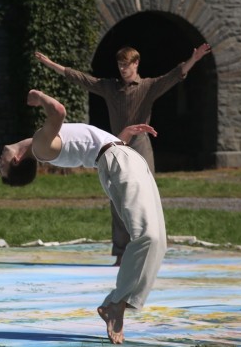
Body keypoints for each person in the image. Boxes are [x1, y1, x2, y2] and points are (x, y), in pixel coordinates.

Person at [0, 89, 166, 344]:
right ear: (18, 160)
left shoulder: (42, 145)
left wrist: (121, 139)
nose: (1, 159)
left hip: (122, 157)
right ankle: (116, 303)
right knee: (148, 236)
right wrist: (37, 96)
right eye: (3, 164)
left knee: (159, 240)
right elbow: (58, 111)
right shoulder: (41, 145)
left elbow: (96, 150)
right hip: (120, 161)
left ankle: (118, 302)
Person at [35, 43, 211, 265]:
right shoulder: (110, 88)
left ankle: (151, 251)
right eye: (120, 66)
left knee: (147, 197)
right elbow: (82, 79)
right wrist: (52, 64)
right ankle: (120, 253)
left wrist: (193, 58)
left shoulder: (148, 86)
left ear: (136, 64)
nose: (122, 70)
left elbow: (174, 75)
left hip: (141, 147)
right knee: (118, 199)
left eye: (126, 66)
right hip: (116, 146)